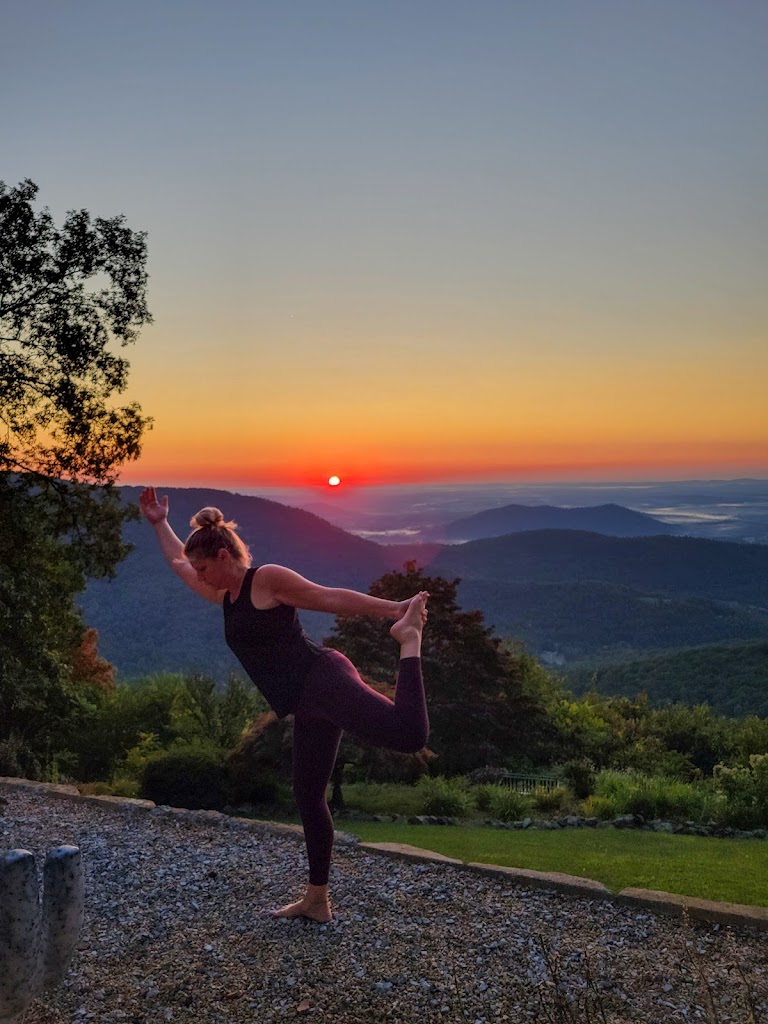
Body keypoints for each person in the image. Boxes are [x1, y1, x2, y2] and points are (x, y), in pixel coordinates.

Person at [139, 487, 430, 922]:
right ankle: (317, 899)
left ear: (223, 556)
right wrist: (160, 523)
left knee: (409, 736)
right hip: (305, 702)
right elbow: (180, 563)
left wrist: (397, 610)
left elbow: (327, 597)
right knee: (308, 794)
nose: (198, 576)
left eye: (204, 567)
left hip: (324, 680)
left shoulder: (266, 580)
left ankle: (409, 642)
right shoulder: (226, 597)